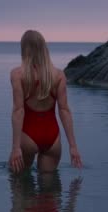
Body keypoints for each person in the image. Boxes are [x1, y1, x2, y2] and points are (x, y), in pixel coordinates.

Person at [8, 30, 83, 173]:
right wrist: (73, 146)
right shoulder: (58, 75)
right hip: (52, 138)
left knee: (18, 185)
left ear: (24, 49)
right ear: (44, 48)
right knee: (50, 192)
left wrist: (16, 148)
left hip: (27, 137)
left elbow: (18, 110)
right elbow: (64, 110)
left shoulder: (17, 74)